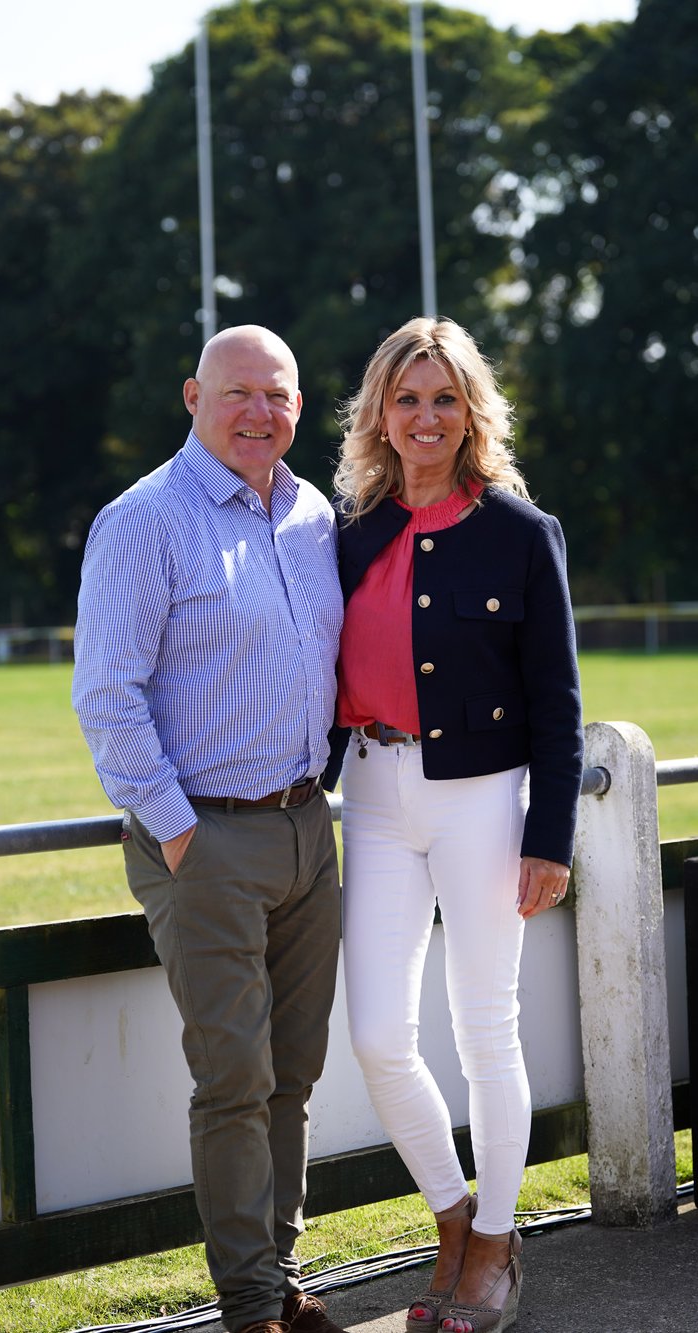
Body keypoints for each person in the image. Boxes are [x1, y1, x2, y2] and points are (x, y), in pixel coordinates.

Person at [72, 325, 346, 1333]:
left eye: (277, 395)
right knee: (235, 1079)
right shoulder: (146, 521)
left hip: (307, 830)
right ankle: (250, 1307)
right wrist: (182, 833)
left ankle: (278, 1270)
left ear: (299, 407)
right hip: (206, 841)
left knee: (296, 1074)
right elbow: (107, 695)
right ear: (194, 396)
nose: (257, 413)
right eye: (237, 393)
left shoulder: (314, 514)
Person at [322, 316, 584, 1333]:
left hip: (485, 799)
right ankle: (454, 1217)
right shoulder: (350, 534)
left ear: (471, 409)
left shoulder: (521, 531)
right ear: (379, 416)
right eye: (407, 398)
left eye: (444, 397)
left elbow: (559, 703)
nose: (426, 417)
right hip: (376, 796)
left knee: (486, 1032)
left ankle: (498, 1246)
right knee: (379, 1032)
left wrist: (549, 836)